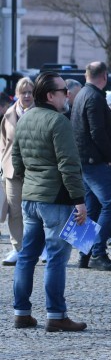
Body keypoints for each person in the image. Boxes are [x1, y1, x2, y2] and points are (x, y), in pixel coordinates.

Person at [11, 71, 89, 332]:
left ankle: (21, 312)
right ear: (50, 95)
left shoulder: (25, 118)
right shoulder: (59, 121)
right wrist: (79, 200)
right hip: (55, 199)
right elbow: (69, 165)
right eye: (63, 91)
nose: (68, 95)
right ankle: (56, 315)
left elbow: (17, 162)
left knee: (26, 256)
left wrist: (31, 181)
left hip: (31, 197)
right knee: (56, 258)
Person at [71, 61, 111, 271]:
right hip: (96, 163)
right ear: (105, 76)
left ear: (86, 74)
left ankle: (84, 254)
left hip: (84, 162)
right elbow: (97, 132)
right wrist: (110, 156)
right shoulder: (94, 97)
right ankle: (98, 253)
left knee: (91, 209)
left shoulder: (82, 94)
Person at [1, 77, 35, 266]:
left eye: (30, 92)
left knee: (37, 211)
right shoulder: (8, 115)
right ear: (17, 95)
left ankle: (41, 247)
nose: (27, 95)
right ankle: (17, 247)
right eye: (24, 92)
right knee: (15, 211)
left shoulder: (41, 112)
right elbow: (3, 143)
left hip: (35, 170)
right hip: (12, 171)